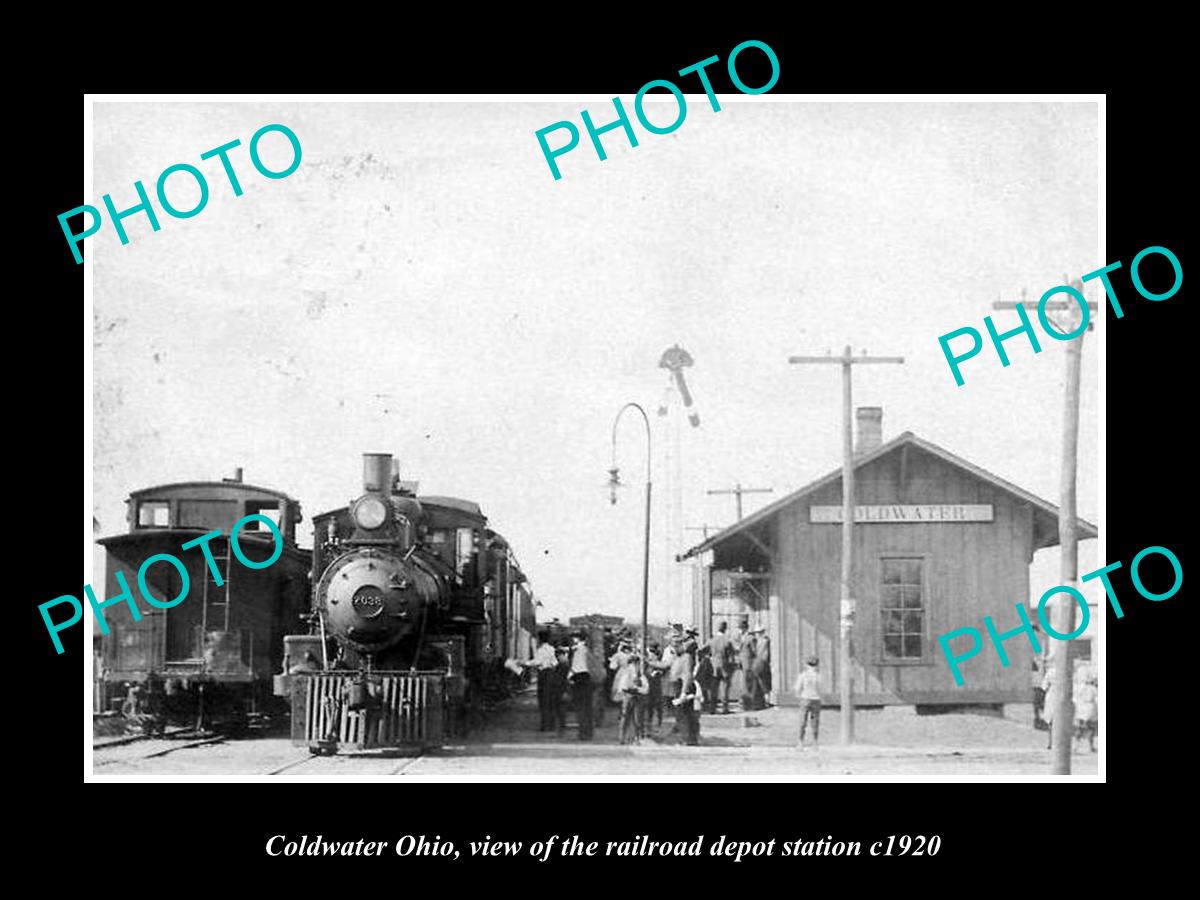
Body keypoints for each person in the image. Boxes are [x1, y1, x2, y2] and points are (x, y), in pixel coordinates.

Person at [527, 631, 560, 731]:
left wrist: (524, 663)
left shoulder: (540, 650)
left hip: (543, 675)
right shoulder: (552, 649)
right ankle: (552, 725)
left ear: (540, 639)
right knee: (550, 701)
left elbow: (537, 662)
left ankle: (545, 725)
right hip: (551, 674)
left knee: (543, 701)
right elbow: (555, 663)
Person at [614, 653, 649, 744]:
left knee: (637, 719)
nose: (634, 666)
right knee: (625, 718)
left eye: (636, 664)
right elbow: (622, 687)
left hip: (637, 696)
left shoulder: (640, 675)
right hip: (628, 697)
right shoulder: (626, 673)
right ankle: (623, 737)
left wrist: (637, 689)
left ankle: (637, 737)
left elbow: (646, 688)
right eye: (633, 663)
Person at [569, 634, 595, 741]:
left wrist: (569, 678)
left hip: (579, 680)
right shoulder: (588, 650)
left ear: (578, 640)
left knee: (581, 708)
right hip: (588, 680)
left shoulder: (578, 651)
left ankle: (583, 733)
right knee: (588, 708)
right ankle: (588, 732)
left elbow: (576, 668)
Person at [707, 621, 735, 714]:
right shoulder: (727, 641)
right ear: (725, 629)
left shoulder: (711, 640)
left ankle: (712, 709)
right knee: (725, 687)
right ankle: (725, 708)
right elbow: (731, 656)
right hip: (724, 665)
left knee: (714, 688)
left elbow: (702, 650)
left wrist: (710, 658)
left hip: (714, 666)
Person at [794, 657, 822, 747]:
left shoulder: (803, 675)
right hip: (816, 698)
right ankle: (815, 742)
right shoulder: (818, 676)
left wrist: (798, 695)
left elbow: (797, 688)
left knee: (802, 721)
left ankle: (800, 742)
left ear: (807, 665)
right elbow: (820, 689)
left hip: (805, 697)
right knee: (815, 721)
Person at [1073, 662, 1098, 753]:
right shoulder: (1093, 689)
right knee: (1091, 728)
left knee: (1079, 727)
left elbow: (1075, 698)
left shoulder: (1078, 687)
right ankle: (1090, 746)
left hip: (1081, 707)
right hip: (1090, 708)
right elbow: (1097, 698)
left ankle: (1076, 745)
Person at [644, 643, 665, 731]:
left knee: (656, 706)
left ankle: (657, 722)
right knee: (651, 706)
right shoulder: (647, 663)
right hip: (651, 686)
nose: (651, 656)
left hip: (656, 687)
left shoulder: (657, 663)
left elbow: (661, 668)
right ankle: (651, 723)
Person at [737, 620, 756, 710]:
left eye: (741, 628)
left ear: (745, 628)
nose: (740, 630)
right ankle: (744, 704)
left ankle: (749, 704)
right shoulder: (741, 637)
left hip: (748, 663)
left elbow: (754, 651)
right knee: (743, 684)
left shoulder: (750, 637)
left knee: (748, 684)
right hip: (742, 663)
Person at [750, 628, 771, 709]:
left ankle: (759, 702)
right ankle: (766, 701)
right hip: (762, 663)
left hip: (757, 663)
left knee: (759, 683)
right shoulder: (765, 641)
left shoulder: (757, 641)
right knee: (764, 683)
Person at [694, 646, 717, 714]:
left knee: (704, 694)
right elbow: (708, 670)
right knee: (710, 694)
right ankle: (710, 709)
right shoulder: (706, 660)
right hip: (706, 679)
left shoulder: (702, 660)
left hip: (701, 679)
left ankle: (705, 707)